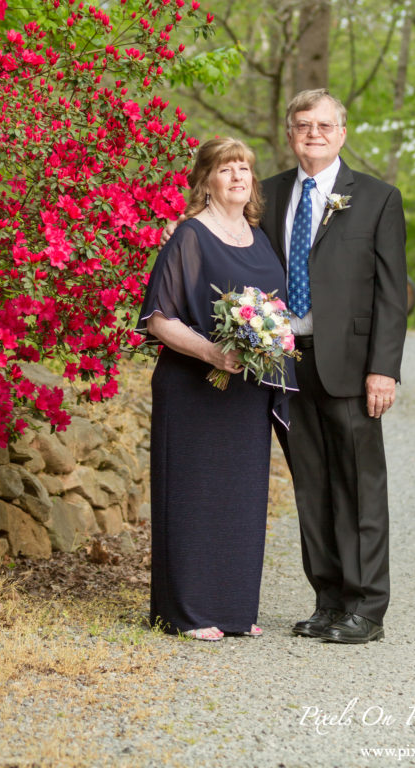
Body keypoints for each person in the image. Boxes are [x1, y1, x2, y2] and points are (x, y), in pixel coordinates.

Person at [259, 89, 408, 644]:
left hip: (351, 363)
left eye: (324, 125)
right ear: (290, 133)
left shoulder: (376, 198)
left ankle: (367, 607)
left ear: (343, 132)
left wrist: (384, 369)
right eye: (303, 125)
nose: (313, 133)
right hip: (285, 361)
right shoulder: (268, 194)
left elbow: (393, 295)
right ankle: (328, 599)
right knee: (311, 485)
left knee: (359, 486)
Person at [138, 136, 296, 642]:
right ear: (206, 179)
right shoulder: (189, 236)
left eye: (245, 169)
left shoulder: (259, 237)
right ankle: (186, 612)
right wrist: (212, 352)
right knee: (194, 494)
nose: (238, 177)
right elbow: (159, 319)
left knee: (241, 496)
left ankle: (232, 609)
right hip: (194, 387)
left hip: (247, 390)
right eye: (226, 169)